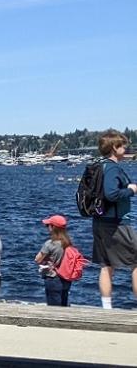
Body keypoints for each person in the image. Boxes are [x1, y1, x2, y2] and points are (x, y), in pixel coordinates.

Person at [92, 130, 137, 309]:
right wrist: (131, 190)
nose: (126, 149)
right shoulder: (112, 168)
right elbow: (111, 194)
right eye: (123, 146)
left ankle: (107, 308)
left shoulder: (98, 166)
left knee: (106, 265)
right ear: (114, 148)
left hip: (99, 221)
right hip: (116, 223)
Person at [35, 214, 72, 307]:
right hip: (66, 278)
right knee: (64, 304)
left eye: (48, 225)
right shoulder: (68, 243)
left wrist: (47, 258)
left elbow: (37, 259)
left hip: (53, 278)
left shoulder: (50, 244)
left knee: (54, 307)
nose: (47, 227)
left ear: (53, 228)